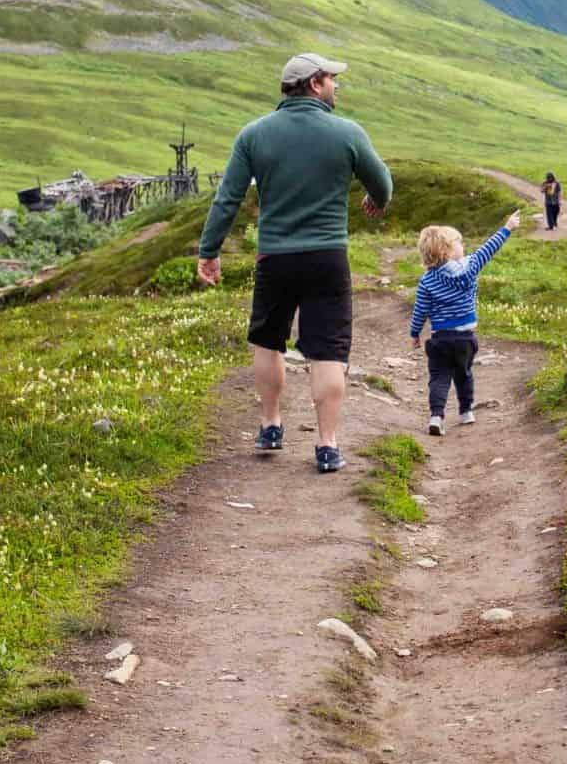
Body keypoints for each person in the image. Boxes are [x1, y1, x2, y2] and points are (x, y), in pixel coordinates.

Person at [196, 53, 392, 473]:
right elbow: (384, 185)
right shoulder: (347, 133)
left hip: (275, 256)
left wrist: (209, 251)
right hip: (328, 257)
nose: (337, 86)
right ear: (316, 83)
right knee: (328, 350)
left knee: (268, 340)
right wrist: (374, 201)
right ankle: (327, 446)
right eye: (333, 79)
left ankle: (270, 426)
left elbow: (228, 197)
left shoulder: (253, 135)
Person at [409, 211, 521, 435]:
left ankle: (436, 416)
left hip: (440, 339)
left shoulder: (426, 280)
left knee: (439, 378)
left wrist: (414, 333)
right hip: (465, 339)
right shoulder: (469, 269)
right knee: (464, 374)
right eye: (459, 243)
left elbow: (420, 309)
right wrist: (507, 227)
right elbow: (488, 249)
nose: (464, 246)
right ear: (446, 250)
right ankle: (466, 411)